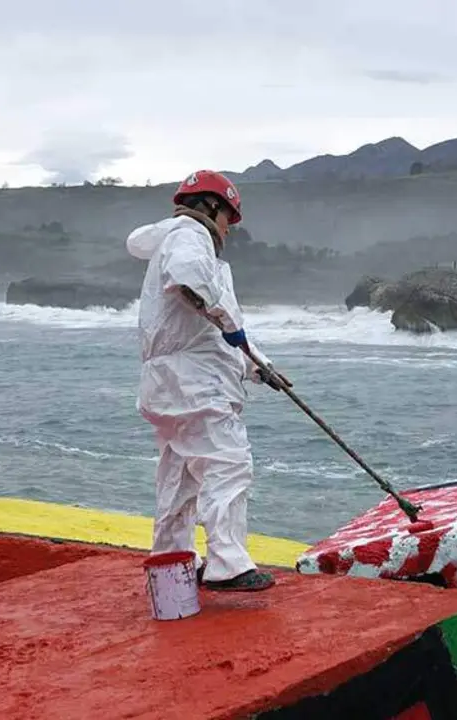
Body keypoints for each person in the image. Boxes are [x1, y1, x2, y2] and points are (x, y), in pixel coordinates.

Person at [126, 170, 291, 592]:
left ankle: (171, 558)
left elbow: (207, 330)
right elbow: (193, 286)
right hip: (196, 383)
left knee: (179, 479)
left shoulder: (175, 240)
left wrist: (260, 366)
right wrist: (230, 321)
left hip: (169, 383)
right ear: (210, 207)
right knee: (228, 464)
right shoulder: (189, 236)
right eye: (228, 218)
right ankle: (228, 565)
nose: (228, 230)